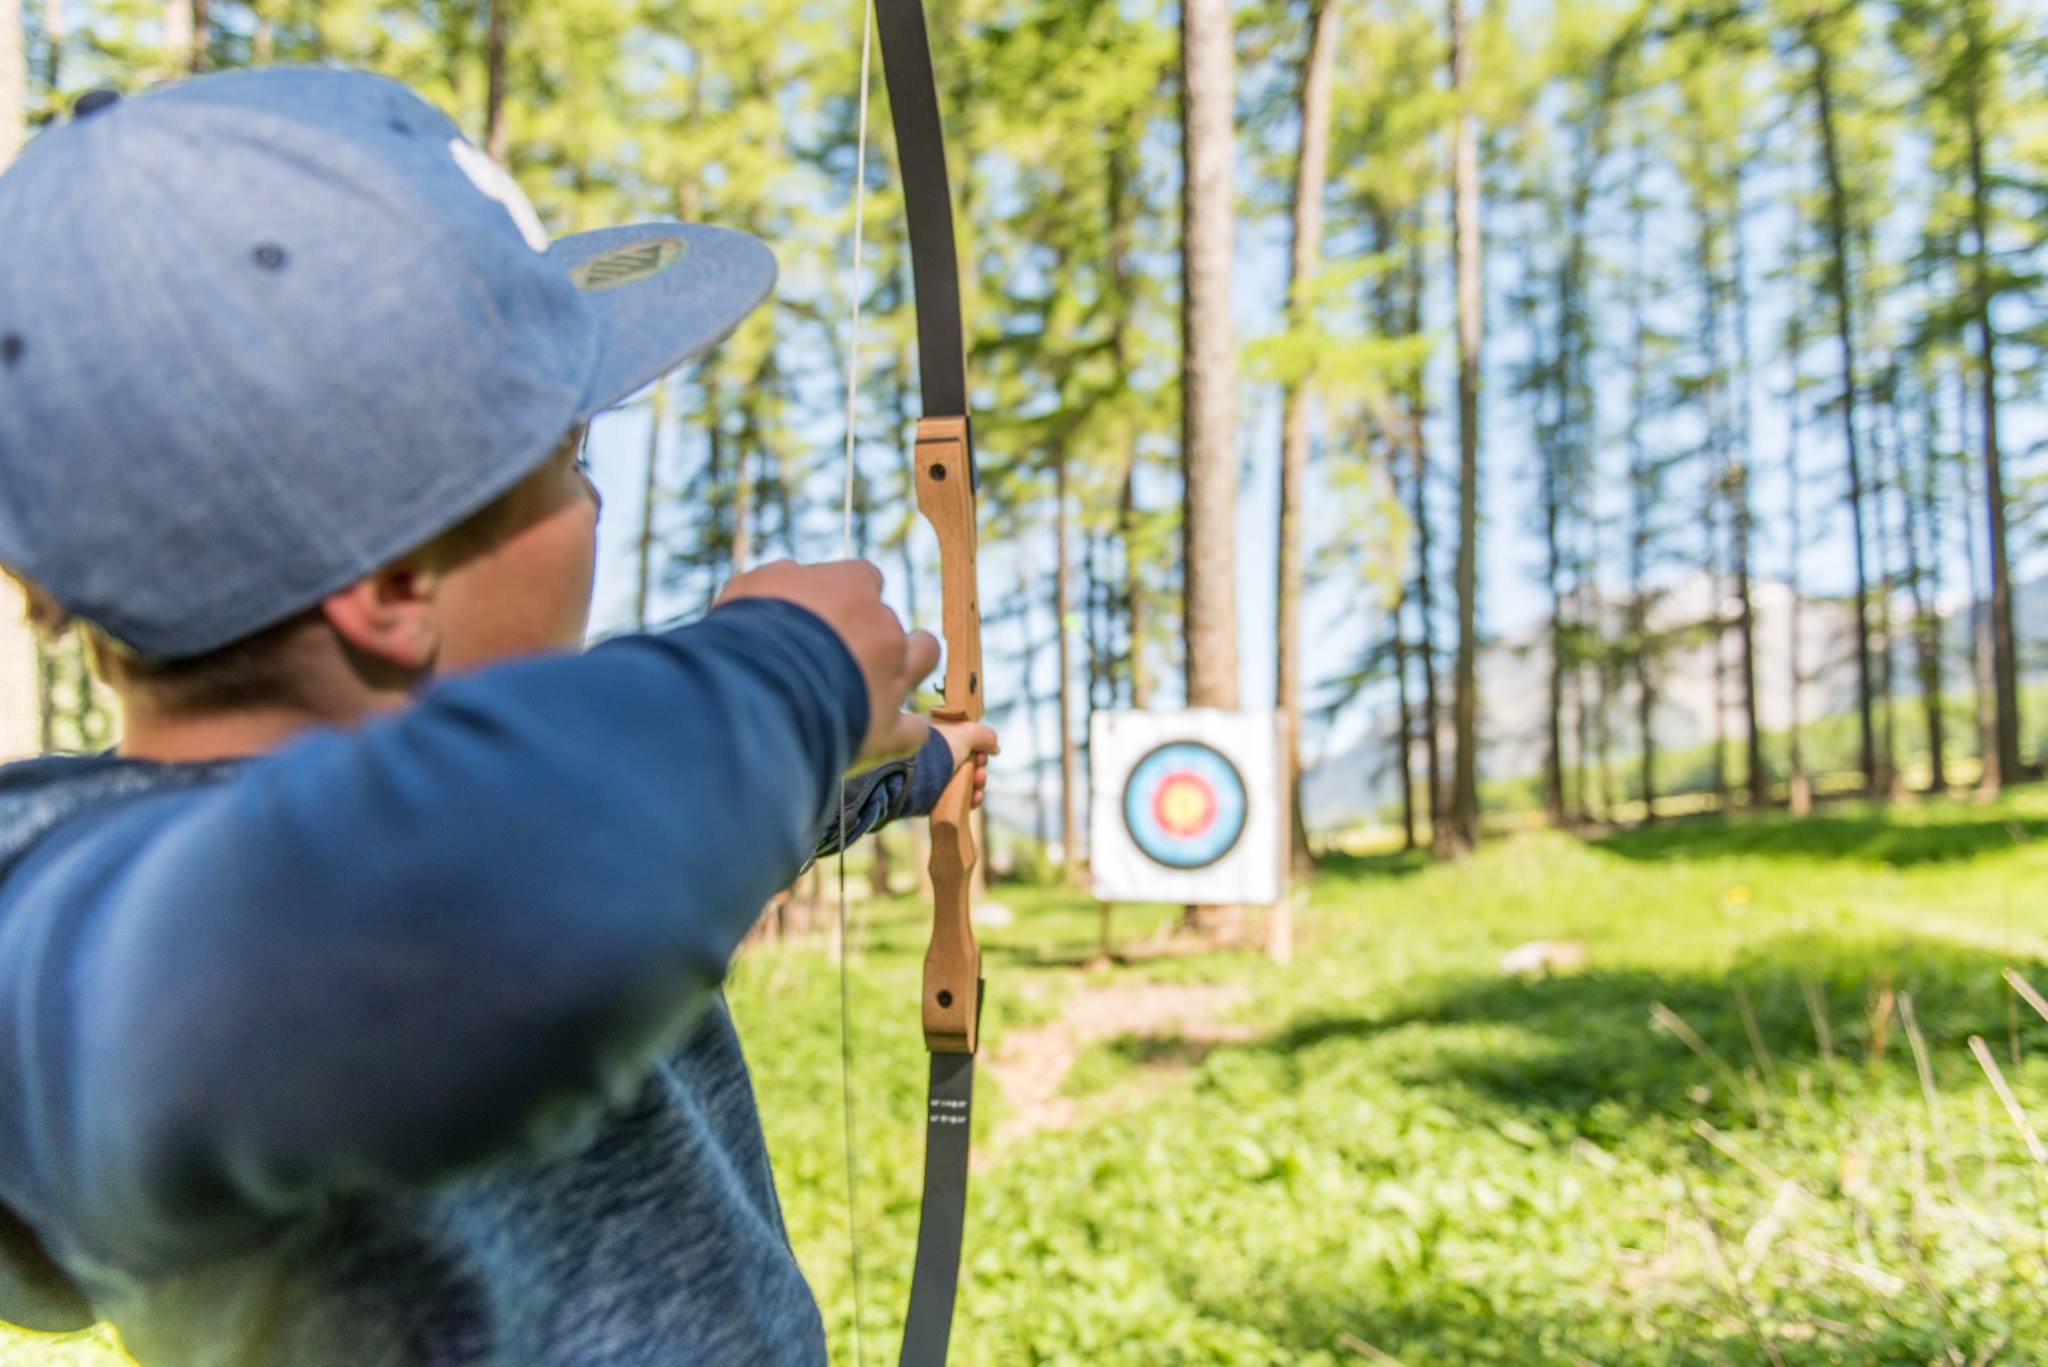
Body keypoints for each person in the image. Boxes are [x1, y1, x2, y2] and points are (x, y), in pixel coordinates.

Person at [0, 66, 993, 1365]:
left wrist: (914, 766)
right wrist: (790, 671)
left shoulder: (560, 824)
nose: (596, 504)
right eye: (569, 458)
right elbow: (493, 885)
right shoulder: (66, 917)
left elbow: (615, 828)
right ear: (395, 588)